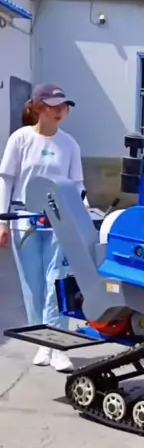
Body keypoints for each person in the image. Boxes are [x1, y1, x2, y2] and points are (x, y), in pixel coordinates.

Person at [0, 83, 88, 372]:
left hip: (58, 219)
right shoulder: (20, 139)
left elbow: (77, 186)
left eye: (63, 106)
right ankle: (42, 342)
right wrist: (2, 221)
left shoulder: (70, 145)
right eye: (53, 106)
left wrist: (84, 217)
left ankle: (58, 345)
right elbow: (6, 180)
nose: (60, 111)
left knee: (57, 280)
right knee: (33, 283)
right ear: (38, 108)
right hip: (23, 219)